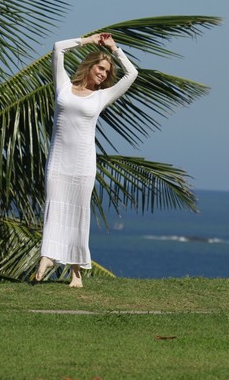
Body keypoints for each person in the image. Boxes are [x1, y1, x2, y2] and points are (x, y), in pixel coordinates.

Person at [36, 33, 138, 287]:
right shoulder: (63, 85)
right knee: (55, 208)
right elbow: (58, 48)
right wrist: (89, 40)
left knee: (78, 214)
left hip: (83, 163)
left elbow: (132, 74)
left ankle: (76, 273)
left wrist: (114, 49)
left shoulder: (101, 96)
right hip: (58, 160)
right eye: (100, 68)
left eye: (106, 71)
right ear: (90, 66)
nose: (103, 74)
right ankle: (47, 256)